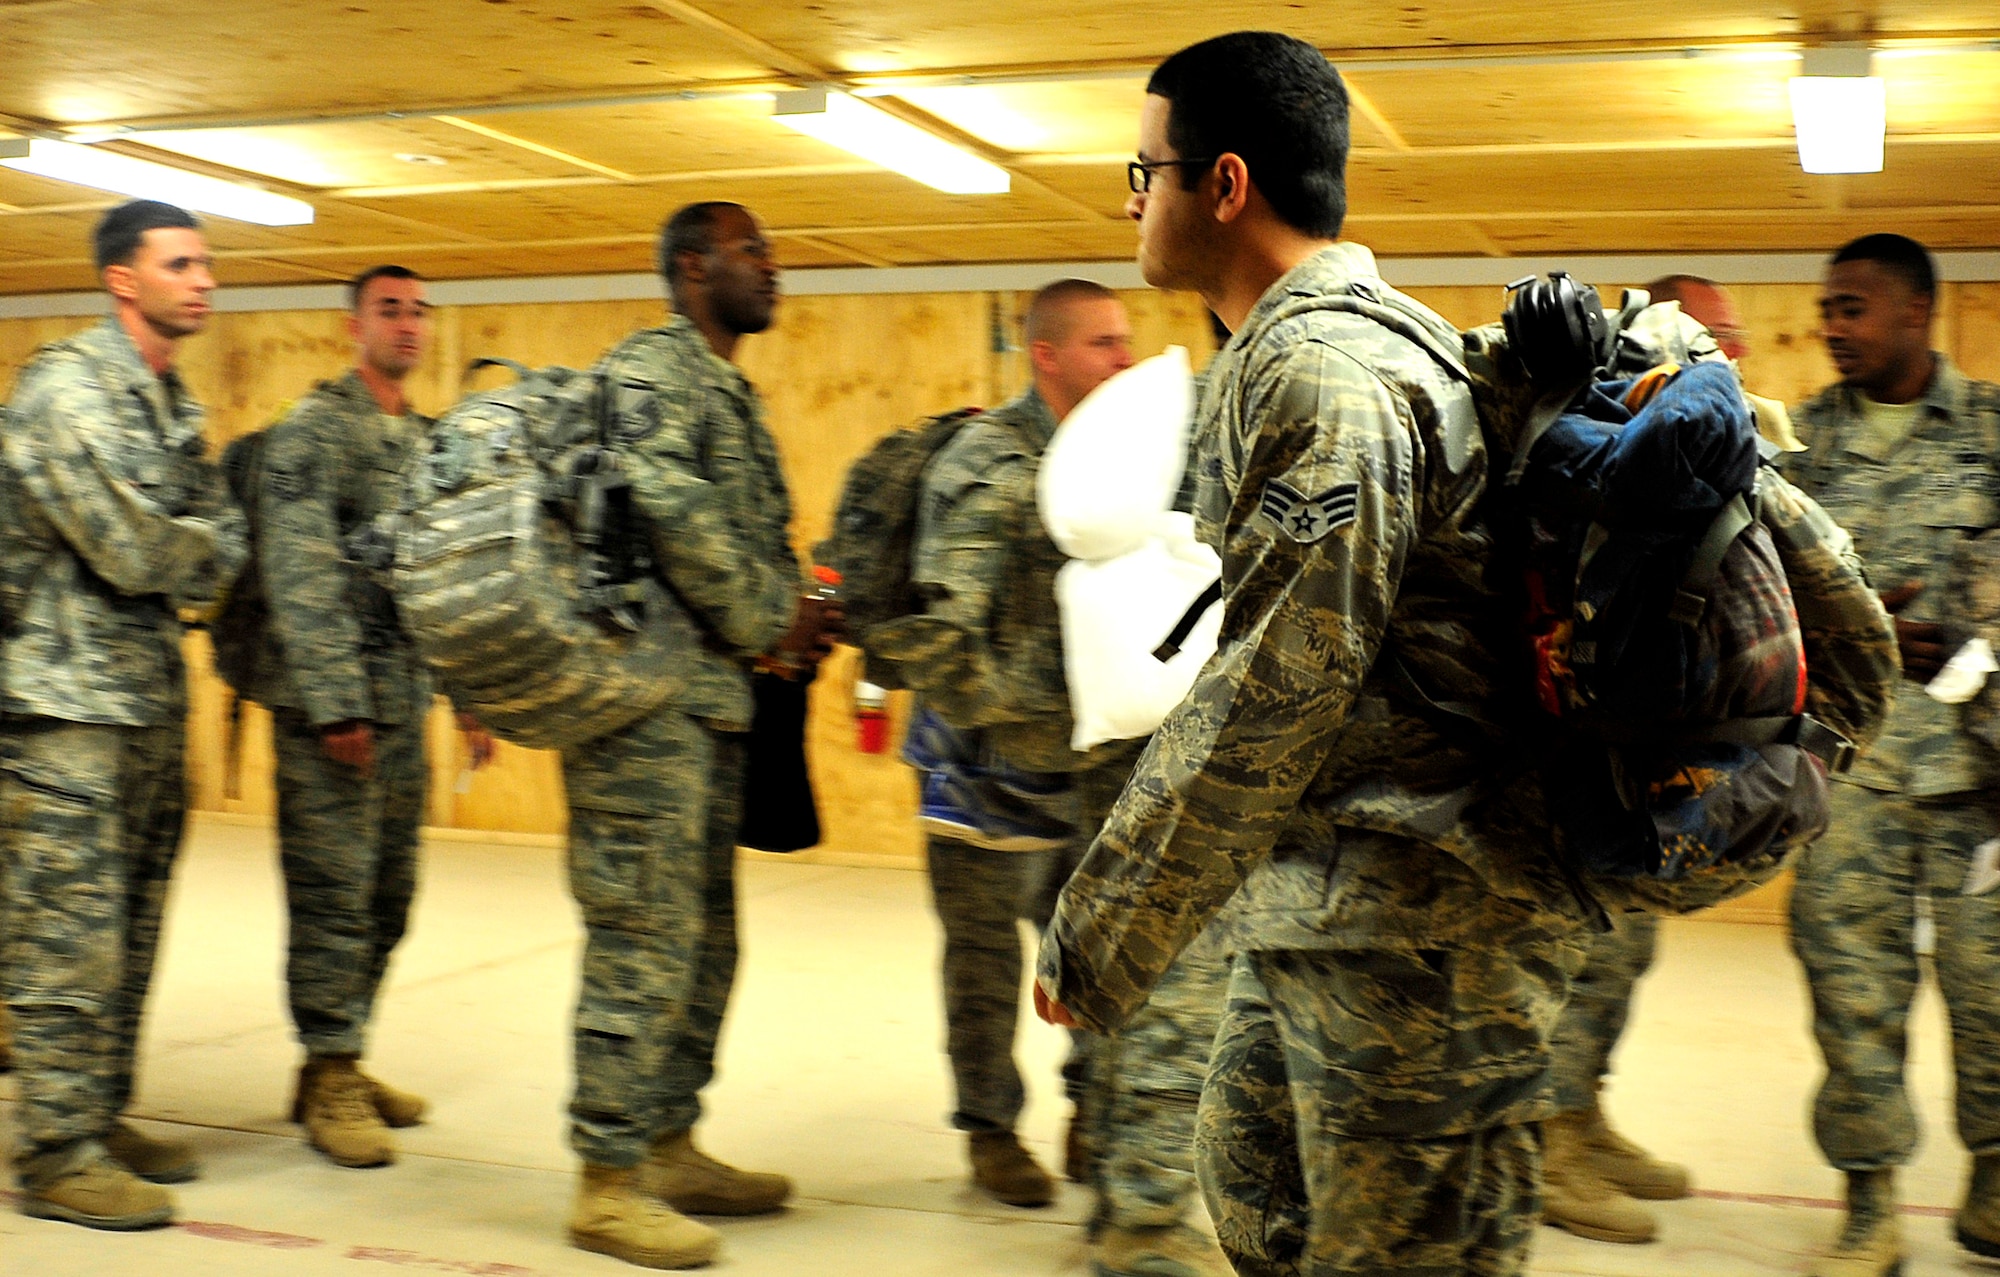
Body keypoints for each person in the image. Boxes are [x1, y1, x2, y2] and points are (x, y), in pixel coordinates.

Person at [1034, 33, 1598, 1275]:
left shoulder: (1317, 370)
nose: (1131, 200)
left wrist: (1106, 922)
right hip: (1335, 894)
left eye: (1144, 173)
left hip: (1426, 920)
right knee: (1252, 1177)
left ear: (1221, 185)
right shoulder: (1322, 347)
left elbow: (1278, 686)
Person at [876, 278, 1233, 1276]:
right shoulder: (986, 461)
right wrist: (1039, 697)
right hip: (981, 772)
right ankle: (990, 1128)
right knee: (987, 967)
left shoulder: (1126, 453)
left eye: (1127, 341)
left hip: (1094, 770)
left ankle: (1103, 1134)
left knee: (1098, 964)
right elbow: (936, 640)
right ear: (1046, 354)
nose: (1124, 359)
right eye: (1103, 343)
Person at [559, 200, 840, 1271]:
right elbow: (666, 503)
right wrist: (771, 612)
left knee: (702, 943)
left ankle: (664, 1141)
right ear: (690, 269)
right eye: (748, 251)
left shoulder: (721, 384)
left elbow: (726, 534)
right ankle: (605, 1177)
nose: (772, 265)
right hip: (642, 715)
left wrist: (793, 615)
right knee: (640, 939)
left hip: (707, 708)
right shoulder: (649, 371)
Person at [0, 199, 248, 1229]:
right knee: (69, 935)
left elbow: (216, 520)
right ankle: (54, 1148)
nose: (203, 281)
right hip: (61, 706)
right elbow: (140, 547)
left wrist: (209, 539)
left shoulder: (166, 398)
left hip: (139, 694)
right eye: (180, 264)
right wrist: (213, 548)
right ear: (121, 280)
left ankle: (94, 1113)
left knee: (133, 924)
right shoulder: (67, 389)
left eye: (206, 265)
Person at [1781, 232, 2000, 1276]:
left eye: (1851, 308)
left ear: (1916, 312)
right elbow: (1759, 590)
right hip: (1848, 769)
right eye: (1824, 309)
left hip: (1978, 771)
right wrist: (1852, 631)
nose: (1831, 327)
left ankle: (1995, 1179)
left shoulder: (1992, 434)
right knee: (1849, 986)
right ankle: (1868, 1202)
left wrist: (1977, 643)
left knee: (1989, 983)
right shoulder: (1799, 445)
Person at [243, 265, 493, 1168]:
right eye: (390, 310)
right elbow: (300, 573)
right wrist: (335, 699)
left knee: (389, 896)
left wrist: (471, 696)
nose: (410, 326)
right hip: (334, 715)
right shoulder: (314, 433)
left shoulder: (428, 442)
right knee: (333, 897)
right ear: (352, 326)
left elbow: (447, 574)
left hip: (405, 704)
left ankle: (339, 1059)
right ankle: (330, 1065)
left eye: (421, 311)